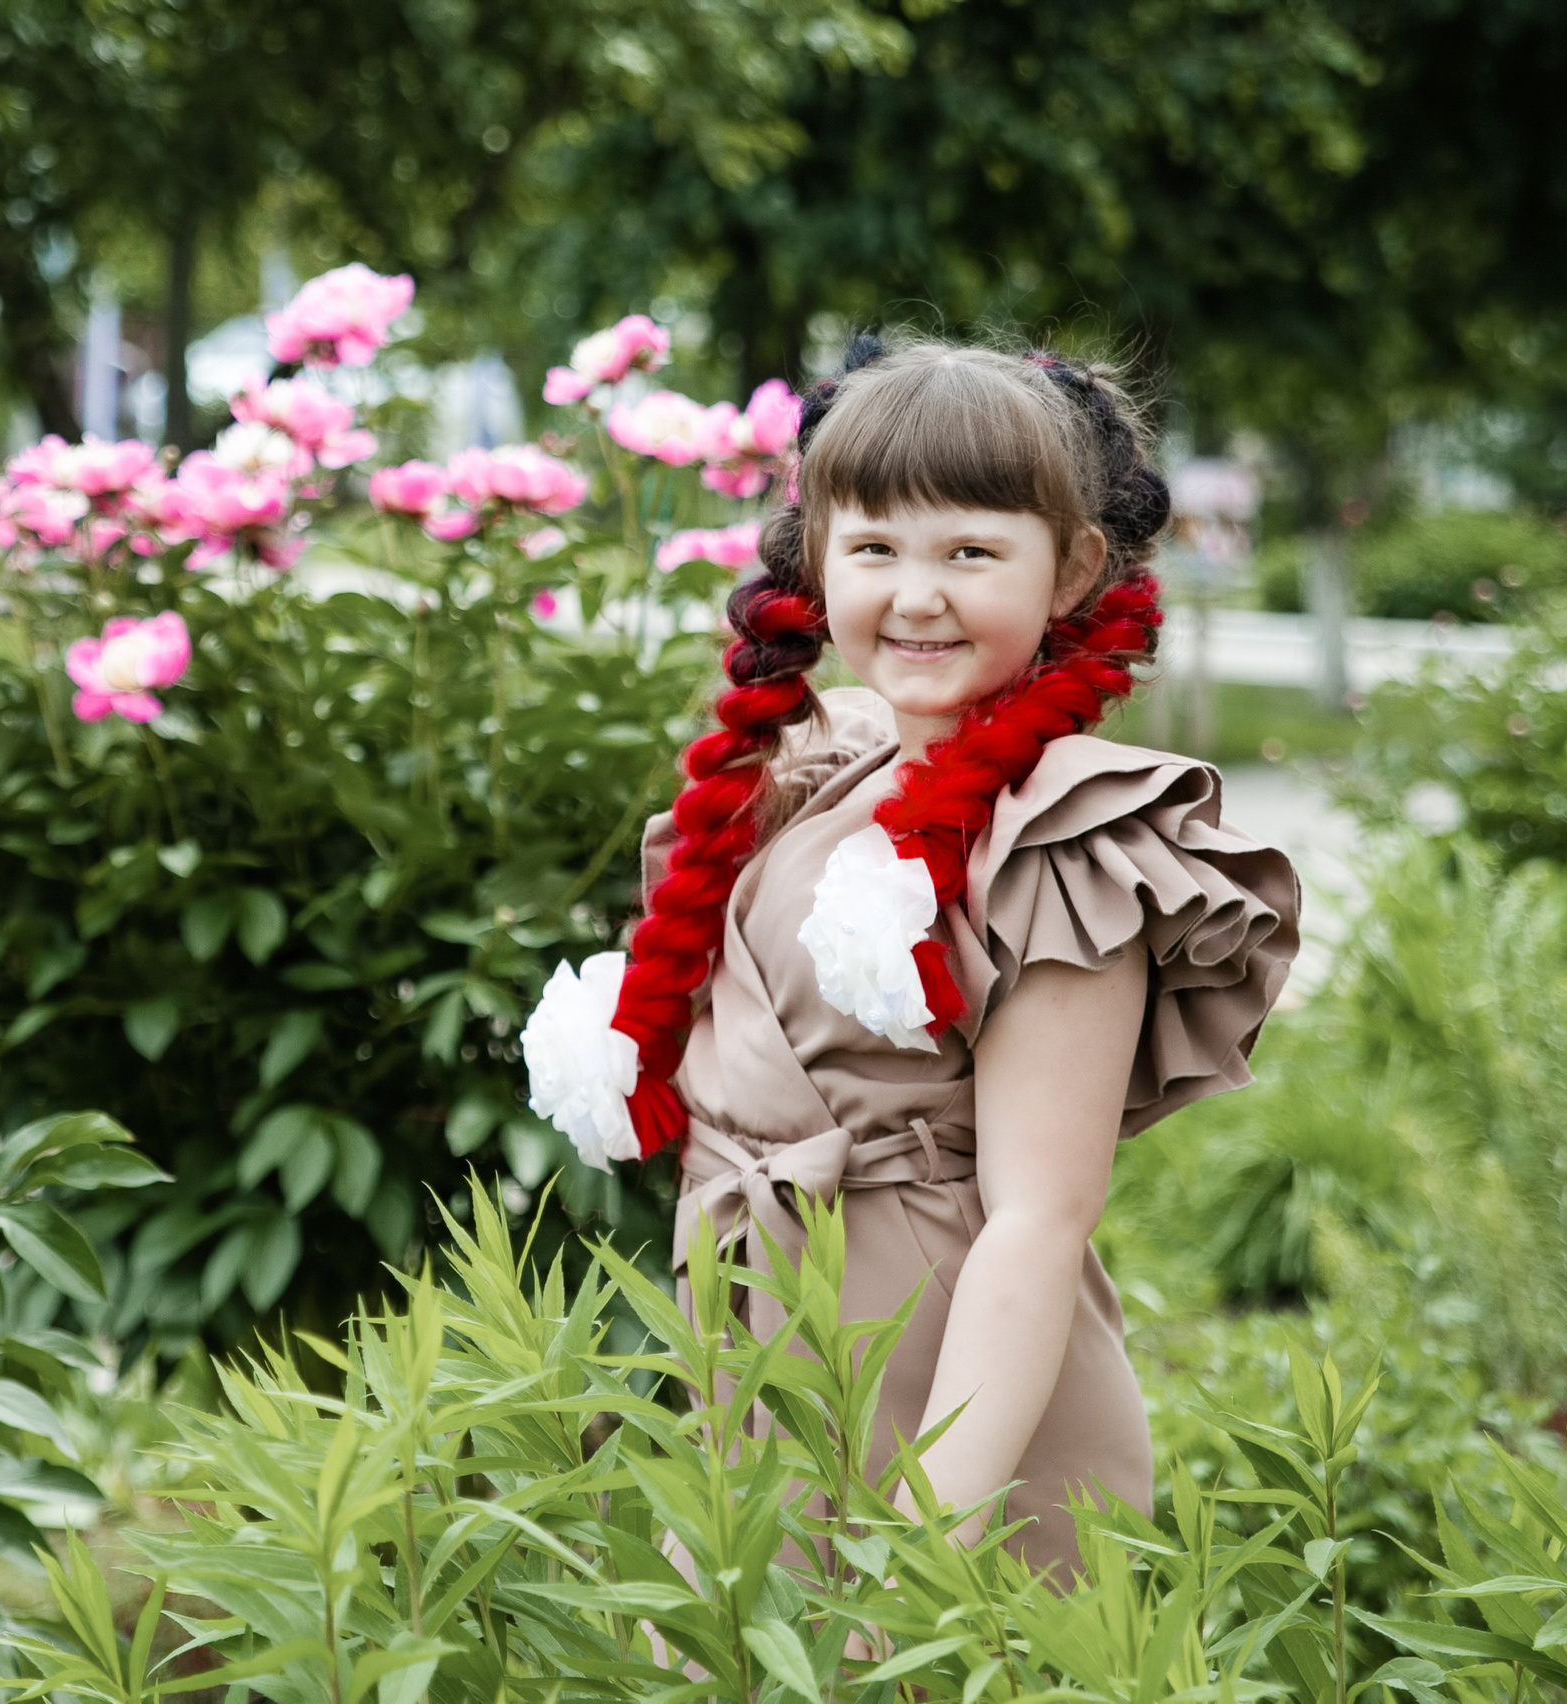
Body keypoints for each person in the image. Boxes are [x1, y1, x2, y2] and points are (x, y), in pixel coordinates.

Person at [521, 338, 1300, 1577]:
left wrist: (925, 1534)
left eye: (971, 551)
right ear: (816, 555)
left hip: (948, 1403)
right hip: (775, 1349)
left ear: (1072, 570)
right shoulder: (836, 773)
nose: (917, 593)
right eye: (876, 547)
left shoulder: (1063, 838)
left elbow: (1041, 1217)